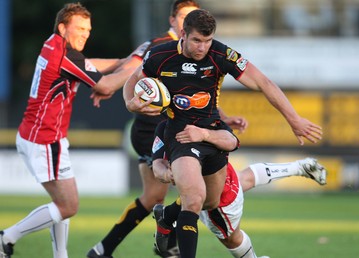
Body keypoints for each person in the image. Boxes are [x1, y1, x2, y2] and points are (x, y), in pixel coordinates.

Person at [123, 9, 323, 258]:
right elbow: (132, 82)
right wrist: (131, 103)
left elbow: (263, 82)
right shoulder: (159, 55)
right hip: (179, 133)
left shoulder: (221, 54)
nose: (202, 48)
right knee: (194, 200)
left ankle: (167, 217)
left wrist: (294, 119)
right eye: (197, 40)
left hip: (212, 131)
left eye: (207, 41)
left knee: (210, 201)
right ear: (183, 34)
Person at [86, 1, 248, 258]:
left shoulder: (201, 52)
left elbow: (198, 99)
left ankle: (163, 234)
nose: (189, 19)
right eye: (184, 16)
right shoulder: (158, 47)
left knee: (189, 195)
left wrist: (225, 118)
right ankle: (108, 248)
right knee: (160, 195)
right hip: (151, 130)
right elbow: (129, 66)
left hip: (179, 129)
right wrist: (107, 85)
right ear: (174, 21)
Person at [0, 3, 132, 258]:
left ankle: (61, 255)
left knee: (63, 205)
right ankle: (7, 237)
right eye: (80, 28)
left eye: (88, 29)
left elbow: (89, 66)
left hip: (45, 137)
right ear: (63, 28)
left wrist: (122, 62)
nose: (85, 33)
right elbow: (104, 85)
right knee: (68, 205)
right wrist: (140, 68)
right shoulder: (65, 55)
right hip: (44, 139)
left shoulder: (55, 44)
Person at [151, 121, 327, 258]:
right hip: (216, 175)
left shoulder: (186, 121)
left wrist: (209, 133)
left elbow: (233, 141)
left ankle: (168, 216)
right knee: (242, 179)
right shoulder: (168, 126)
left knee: (231, 238)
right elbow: (157, 164)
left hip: (216, 192)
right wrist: (167, 174)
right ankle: (300, 167)